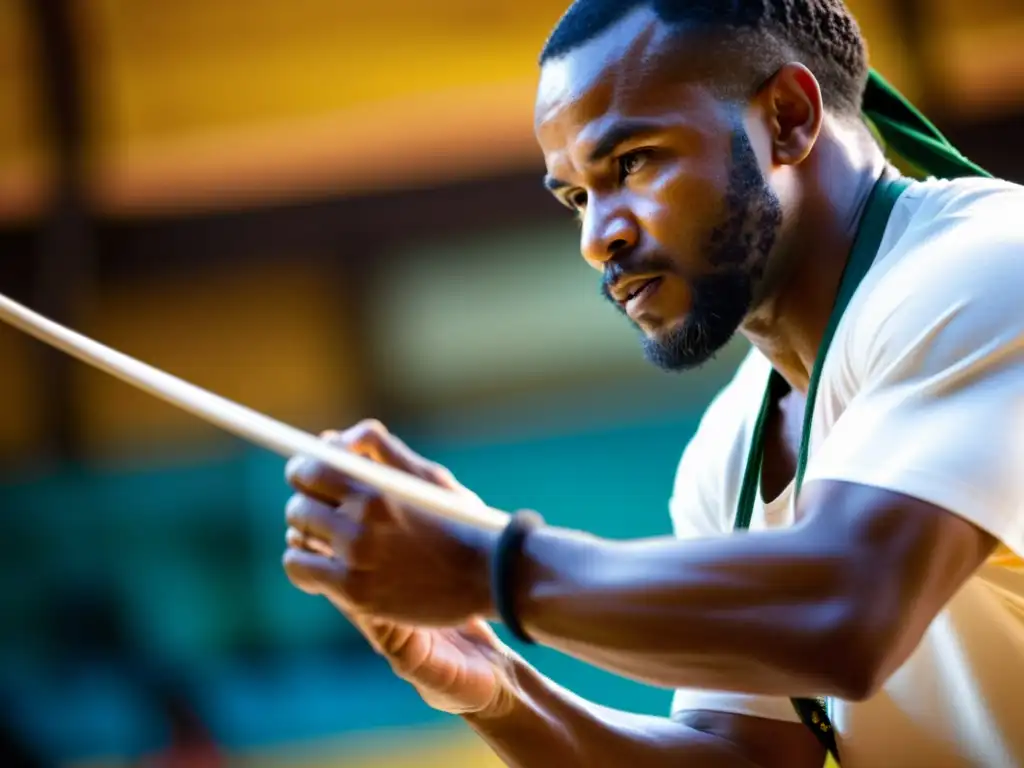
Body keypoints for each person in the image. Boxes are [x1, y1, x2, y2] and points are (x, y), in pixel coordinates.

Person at [281, 1, 1024, 766]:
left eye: (631, 162)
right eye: (576, 196)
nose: (598, 236)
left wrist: (489, 568)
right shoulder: (729, 447)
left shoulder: (989, 264)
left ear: (790, 119)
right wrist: (498, 686)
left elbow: (846, 610)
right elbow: (743, 755)